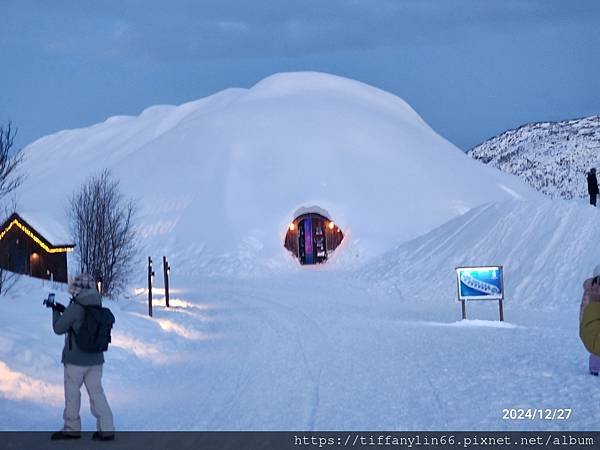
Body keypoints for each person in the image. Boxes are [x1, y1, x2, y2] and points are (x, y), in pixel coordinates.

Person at [50, 273, 115, 441]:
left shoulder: (76, 305)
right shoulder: (98, 303)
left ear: (77, 288)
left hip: (75, 361)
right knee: (97, 393)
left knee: (72, 394)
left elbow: (59, 328)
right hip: (96, 359)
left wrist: (56, 312)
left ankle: (72, 429)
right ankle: (107, 428)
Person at [580, 265, 600, 374]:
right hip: (592, 320)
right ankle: (594, 368)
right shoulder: (592, 292)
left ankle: (594, 367)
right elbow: (585, 308)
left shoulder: (591, 290)